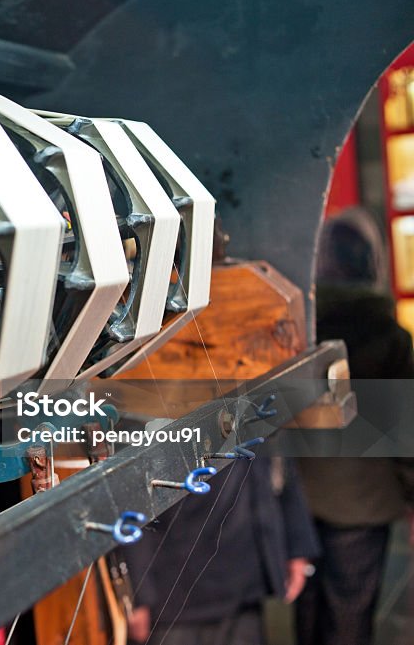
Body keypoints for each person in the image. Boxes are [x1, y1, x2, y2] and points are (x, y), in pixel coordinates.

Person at [294, 207, 414, 645]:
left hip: (303, 497)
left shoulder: (301, 331)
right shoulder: (390, 336)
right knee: (350, 616)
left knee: (306, 613)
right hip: (364, 502)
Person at [124, 451, 319, 645]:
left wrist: (297, 545)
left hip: (245, 584)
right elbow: (131, 496)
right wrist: (138, 595)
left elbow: (275, 449)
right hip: (175, 595)